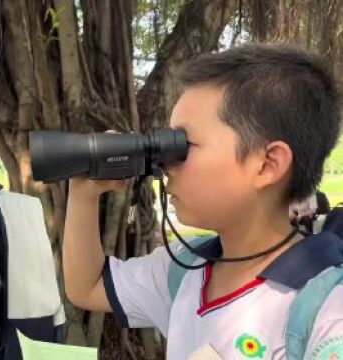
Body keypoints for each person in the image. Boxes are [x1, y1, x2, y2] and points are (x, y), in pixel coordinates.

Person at [63, 44, 343, 359]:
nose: (166, 163)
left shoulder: (325, 311)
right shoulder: (184, 270)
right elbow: (86, 287)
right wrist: (84, 194)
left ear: (266, 165)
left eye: (184, 144)